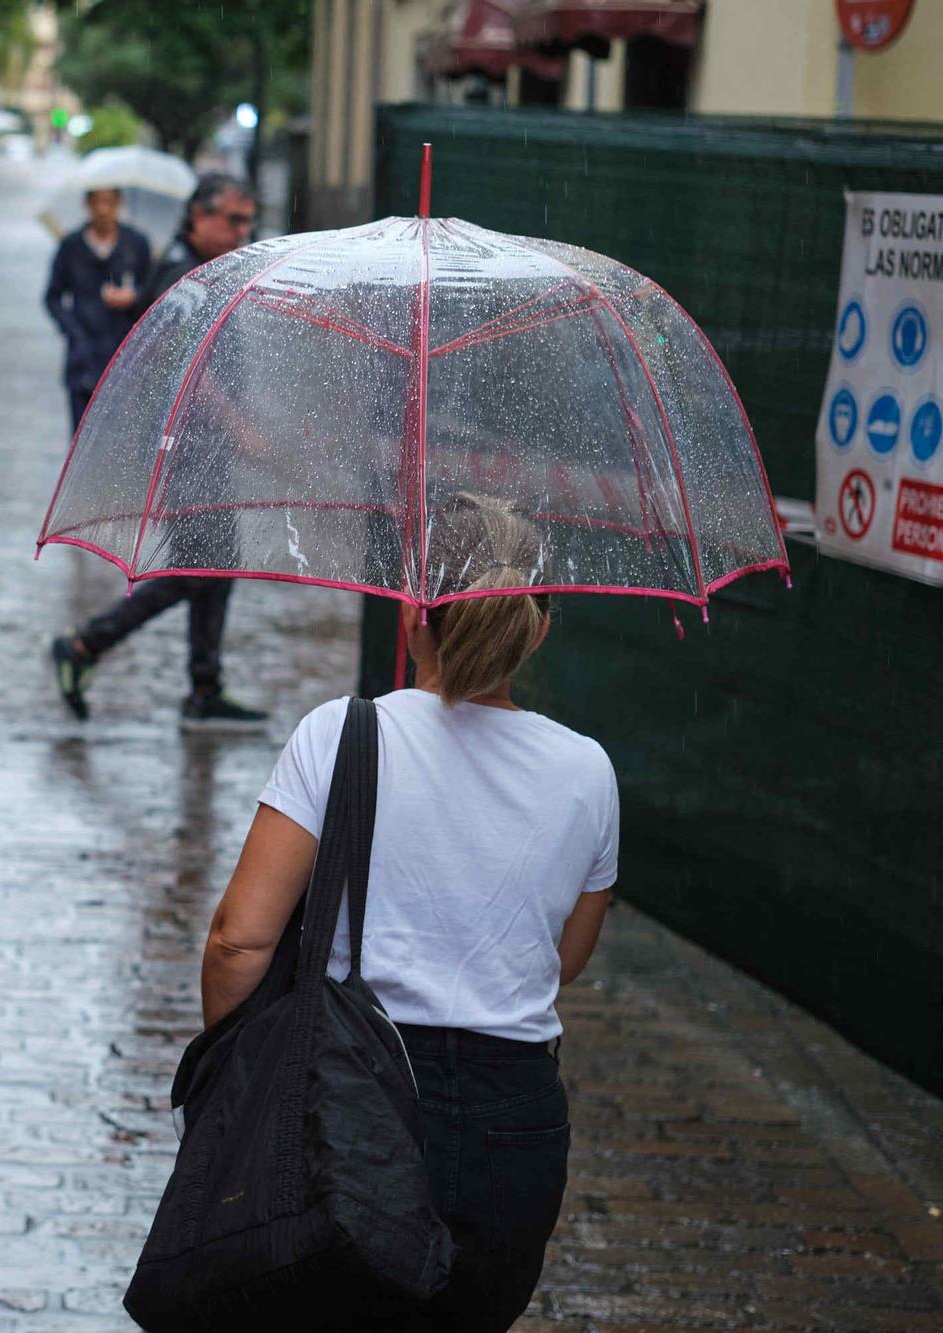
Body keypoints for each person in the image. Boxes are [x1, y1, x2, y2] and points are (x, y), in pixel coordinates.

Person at [200, 494, 618, 1331]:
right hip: (518, 1119)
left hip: (354, 1095)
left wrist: (235, 1083)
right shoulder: (588, 771)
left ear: (409, 612)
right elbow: (562, 957)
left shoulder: (340, 736)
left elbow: (239, 941)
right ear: (539, 627)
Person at [49, 172, 267, 729]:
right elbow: (185, 362)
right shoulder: (182, 272)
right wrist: (238, 427)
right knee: (195, 571)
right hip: (188, 449)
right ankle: (86, 644)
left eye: (248, 220)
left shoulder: (199, 268)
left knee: (215, 567)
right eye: (232, 219)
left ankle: (204, 687)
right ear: (198, 216)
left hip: (204, 448)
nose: (243, 231)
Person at [44, 187, 151, 433]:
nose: (103, 210)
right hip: (83, 356)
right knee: (82, 432)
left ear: (118, 205)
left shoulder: (136, 244)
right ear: (88, 205)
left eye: (109, 203)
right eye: (97, 202)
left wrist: (132, 298)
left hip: (125, 354)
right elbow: (52, 297)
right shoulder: (71, 246)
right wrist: (72, 329)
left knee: (122, 436)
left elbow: (153, 291)